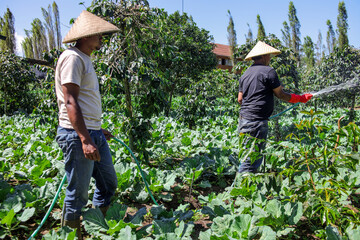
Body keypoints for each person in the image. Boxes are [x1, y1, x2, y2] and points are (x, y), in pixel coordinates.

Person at [55, 10, 120, 238]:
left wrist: (95, 129)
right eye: (98, 35)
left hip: (92, 133)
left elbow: (83, 101)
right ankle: (71, 235)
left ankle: (94, 225)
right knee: (78, 194)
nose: (101, 38)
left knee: (108, 183)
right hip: (77, 135)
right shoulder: (72, 58)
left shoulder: (84, 59)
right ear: (85, 36)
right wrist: (84, 138)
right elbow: (70, 100)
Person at [237, 41, 312, 174]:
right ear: (265, 56)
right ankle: (242, 188)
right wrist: (300, 98)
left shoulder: (245, 74)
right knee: (252, 159)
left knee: (246, 154)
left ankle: (243, 185)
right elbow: (280, 94)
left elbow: (240, 99)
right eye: (269, 56)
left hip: (244, 119)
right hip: (257, 122)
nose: (270, 58)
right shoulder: (268, 71)